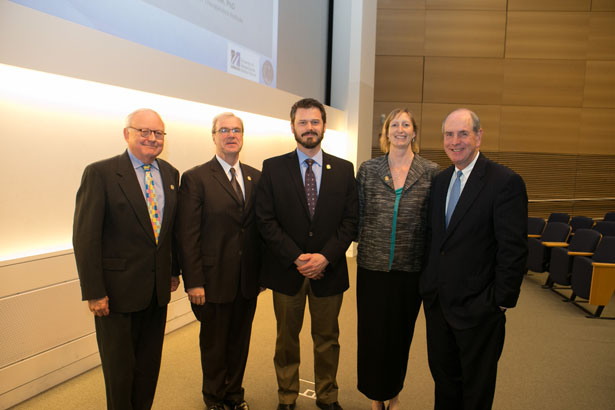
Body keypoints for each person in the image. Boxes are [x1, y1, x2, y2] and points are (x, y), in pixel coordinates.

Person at [73, 108, 180, 410]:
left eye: (158, 133)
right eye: (144, 131)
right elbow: (85, 237)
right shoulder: (100, 173)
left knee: (148, 368)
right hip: (116, 295)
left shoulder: (170, 174)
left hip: (156, 293)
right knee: (120, 373)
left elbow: (170, 231)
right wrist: (94, 292)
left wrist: (173, 271)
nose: (152, 138)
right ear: (127, 134)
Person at [420, 108, 528, 410]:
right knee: (444, 384)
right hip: (439, 306)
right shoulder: (441, 181)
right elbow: (435, 239)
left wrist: (500, 301)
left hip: (480, 309)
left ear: (478, 137)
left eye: (463, 134)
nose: (455, 141)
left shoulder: (504, 181)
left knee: (475, 391)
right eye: (449, 135)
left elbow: (513, 249)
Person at [255, 98, 359, 410]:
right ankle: (287, 397)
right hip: (288, 272)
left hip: (330, 271)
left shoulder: (344, 169)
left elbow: (351, 221)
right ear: (293, 127)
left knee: (327, 339)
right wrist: (297, 258)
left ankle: (327, 396)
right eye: (303, 122)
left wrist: (325, 257)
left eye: (315, 122)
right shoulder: (273, 167)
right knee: (286, 339)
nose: (309, 128)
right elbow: (265, 219)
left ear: (324, 126)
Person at [175, 112, 262, 410]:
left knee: (239, 342)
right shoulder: (196, 178)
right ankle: (213, 398)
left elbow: (258, 230)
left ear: (242, 136)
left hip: (246, 281)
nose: (231, 135)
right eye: (224, 130)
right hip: (211, 281)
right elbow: (188, 235)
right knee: (214, 344)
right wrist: (194, 281)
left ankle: (234, 395)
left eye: (236, 130)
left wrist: (260, 275)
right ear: (213, 136)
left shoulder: (255, 177)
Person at [356, 108, 439, 410]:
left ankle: (393, 393)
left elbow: (434, 223)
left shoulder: (431, 171)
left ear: (414, 132)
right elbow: (358, 214)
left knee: (399, 335)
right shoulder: (369, 169)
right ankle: (375, 395)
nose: (400, 129)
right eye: (394, 124)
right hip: (372, 267)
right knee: (372, 334)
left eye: (406, 124)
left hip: (410, 269)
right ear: (386, 132)